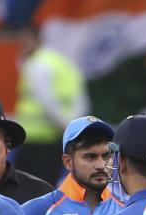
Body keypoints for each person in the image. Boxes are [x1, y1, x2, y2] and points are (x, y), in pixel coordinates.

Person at [13, 25, 89, 186]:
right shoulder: (61, 62)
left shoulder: (37, 63)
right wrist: (73, 124)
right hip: (53, 136)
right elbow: (79, 97)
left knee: (29, 187)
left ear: (37, 39)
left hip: (36, 138)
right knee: (48, 185)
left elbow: (46, 100)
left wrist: (64, 124)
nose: (22, 45)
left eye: (25, 41)